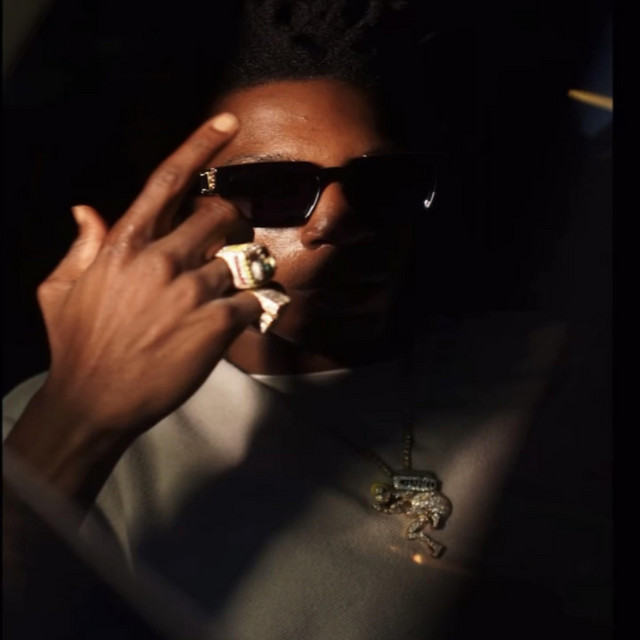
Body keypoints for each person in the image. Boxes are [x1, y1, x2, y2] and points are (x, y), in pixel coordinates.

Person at [3, 1, 610, 638]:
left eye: (380, 183)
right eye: (272, 189)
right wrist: (78, 416)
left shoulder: (540, 369)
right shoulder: (48, 427)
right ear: (180, 214)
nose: (338, 222)